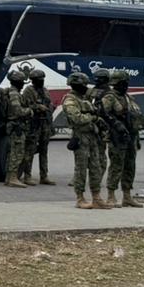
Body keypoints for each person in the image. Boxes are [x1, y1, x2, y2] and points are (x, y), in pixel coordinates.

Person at [62, 71, 108, 209]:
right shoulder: (70, 100)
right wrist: (93, 118)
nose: (86, 87)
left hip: (92, 137)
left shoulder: (84, 99)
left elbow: (94, 112)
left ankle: (96, 197)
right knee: (81, 169)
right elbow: (77, 119)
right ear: (76, 85)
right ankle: (80, 198)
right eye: (84, 85)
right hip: (81, 137)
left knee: (96, 167)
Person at [100, 70, 144, 208]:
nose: (122, 86)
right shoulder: (110, 97)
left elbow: (136, 115)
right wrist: (115, 125)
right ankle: (111, 196)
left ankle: (127, 196)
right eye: (120, 84)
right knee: (116, 166)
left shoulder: (128, 98)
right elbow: (102, 113)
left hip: (131, 137)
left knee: (130, 167)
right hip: (117, 137)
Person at [19, 68, 56, 185]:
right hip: (34, 124)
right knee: (30, 150)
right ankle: (27, 176)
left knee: (44, 150)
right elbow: (26, 105)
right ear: (33, 80)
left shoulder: (44, 90)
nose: (41, 81)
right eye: (39, 79)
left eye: (42, 79)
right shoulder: (28, 90)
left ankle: (44, 176)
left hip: (45, 123)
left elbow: (49, 103)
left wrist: (49, 108)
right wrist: (38, 107)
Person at [0, 69, 31, 188]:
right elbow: (18, 111)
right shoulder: (14, 94)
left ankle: (9, 178)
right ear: (17, 82)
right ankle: (12, 178)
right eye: (22, 81)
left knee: (14, 152)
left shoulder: (10, 92)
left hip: (14, 126)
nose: (23, 84)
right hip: (16, 126)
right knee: (17, 153)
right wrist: (29, 111)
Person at [88, 68, 113, 188]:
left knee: (100, 153)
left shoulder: (109, 93)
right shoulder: (94, 90)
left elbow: (105, 110)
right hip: (92, 124)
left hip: (102, 126)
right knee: (88, 152)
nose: (97, 80)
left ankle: (98, 177)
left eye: (99, 78)